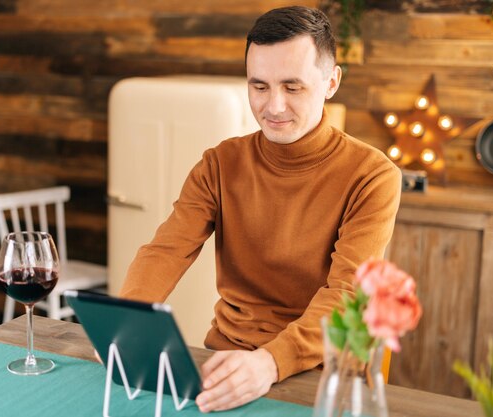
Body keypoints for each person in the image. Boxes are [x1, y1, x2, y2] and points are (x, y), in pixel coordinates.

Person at [117, 5, 401, 413]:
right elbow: (165, 250)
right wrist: (129, 322)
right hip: (226, 359)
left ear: (331, 81)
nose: (274, 106)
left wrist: (269, 362)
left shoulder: (372, 175)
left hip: (322, 374)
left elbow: (347, 295)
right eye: (259, 86)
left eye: (292, 86)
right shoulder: (220, 163)